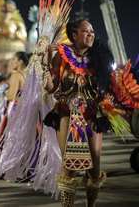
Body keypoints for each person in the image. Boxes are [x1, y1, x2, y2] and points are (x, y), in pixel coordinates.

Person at [43, 19, 113, 207]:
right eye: (85, 31)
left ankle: (91, 205)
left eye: (92, 31)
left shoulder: (100, 57)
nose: (91, 34)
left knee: (95, 168)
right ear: (74, 35)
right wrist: (44, 65)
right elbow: (51, 88)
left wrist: (109, 101)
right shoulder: (61, 56)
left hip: (91, 116)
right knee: (70, 167)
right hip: (67, 113)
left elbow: (107, 89)